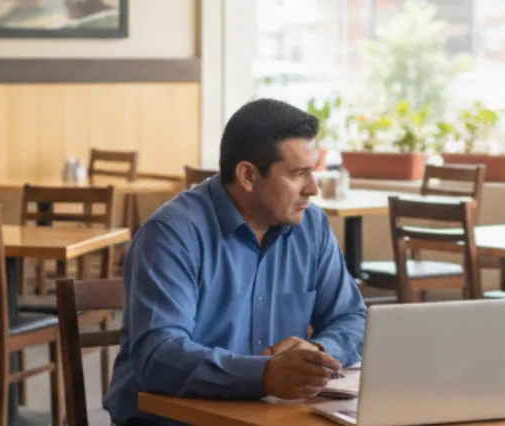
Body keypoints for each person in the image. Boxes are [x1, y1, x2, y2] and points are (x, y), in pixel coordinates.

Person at [105, 99, 367, 426]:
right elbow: (159, 355)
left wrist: (316, 354)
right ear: (247, 175)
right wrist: (264, 375)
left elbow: (352, 317)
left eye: (312, 171)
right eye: (298, 173)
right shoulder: (171, 234)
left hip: (270, 417)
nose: (313, 188)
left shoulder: (311, 227)